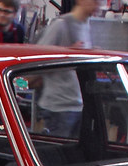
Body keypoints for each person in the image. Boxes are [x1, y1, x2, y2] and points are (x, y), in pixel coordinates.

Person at [34, 0, 97, 137]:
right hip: (58, 107)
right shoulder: (61, 25)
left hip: (77, 105)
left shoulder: (85, 26)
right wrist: (67, 53)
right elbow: (37, 59)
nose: (97, 4)